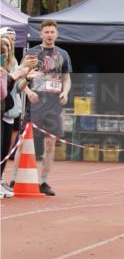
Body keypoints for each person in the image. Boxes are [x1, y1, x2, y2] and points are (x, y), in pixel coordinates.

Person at [23, 20, 72, 196]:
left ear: (56, 34)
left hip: (53, 107)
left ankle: (43, 181)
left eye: (52, 32)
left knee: (50, 145)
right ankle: (17, 178)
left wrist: (65, 92)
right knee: (26, 143)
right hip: (34, 105)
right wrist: (28, 92)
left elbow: (66, 79)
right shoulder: (32, 53)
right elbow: (21, 77)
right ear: (41, 34)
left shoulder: (63, 54)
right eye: (46, 32)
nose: (49, 35)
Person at [1, 37, 39, 198]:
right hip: (4, 112)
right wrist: (19, 72)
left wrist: (27, 78)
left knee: (4, 152)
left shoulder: (10, 65)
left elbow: (15, 89)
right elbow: (3, 90)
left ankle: (1, 180)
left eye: (10, 46)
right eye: (4, 47)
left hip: (8, 112)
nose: (7, 50)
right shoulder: (5, 69)